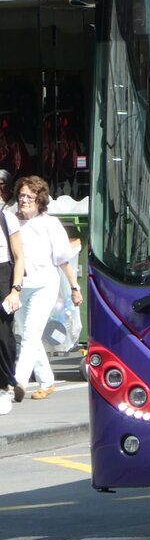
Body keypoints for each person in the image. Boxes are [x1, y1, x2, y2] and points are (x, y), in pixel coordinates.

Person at [11, 175, 82, 401]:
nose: (24, 200)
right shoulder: (11, 221)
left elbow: (63, 259)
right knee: (26, 334)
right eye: (22, 195)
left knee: (31, 334)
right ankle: (47, 381)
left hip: (45, 285)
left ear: (40, 200)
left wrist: (74, 287)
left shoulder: (50, 224)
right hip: (21, 286)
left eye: (30, 196)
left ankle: (19, 380)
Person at [0, 170, 24, 413]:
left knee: (3, 333)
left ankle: (5, 385)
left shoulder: (7, 217)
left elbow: (19, 257)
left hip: (3, 273)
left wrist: (15, 289)